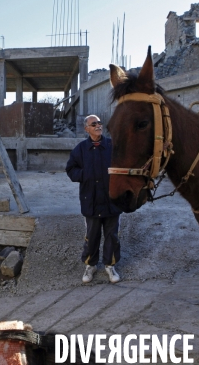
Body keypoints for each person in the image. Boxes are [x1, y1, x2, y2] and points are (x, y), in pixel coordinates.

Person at [66, 115, 123, 283]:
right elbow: (70, 169)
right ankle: (90, 265)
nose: (98, 125)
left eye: (99, 123)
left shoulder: (112, 146)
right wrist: (85, 175)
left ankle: (110, 266)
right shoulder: (81, 149)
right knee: (92, 235)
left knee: (112, 235)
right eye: (94, 124)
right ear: (87, 129)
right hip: (90, 199)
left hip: (112, 199)